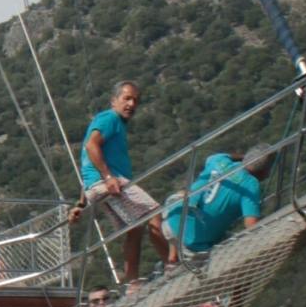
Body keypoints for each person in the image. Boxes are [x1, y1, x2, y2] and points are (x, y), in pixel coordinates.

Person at [75, 77, 173, 286]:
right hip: (108, 183)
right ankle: (172, 266)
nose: (132, 105)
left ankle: (132, 283)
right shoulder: (109, 118)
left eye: (136, 101)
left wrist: (80, 203)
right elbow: (92, 147)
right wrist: (109, 177)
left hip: (95, 187)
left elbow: (86, 162)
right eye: (127, 99)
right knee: (154, 214)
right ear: (114, 100)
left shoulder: (113, 123)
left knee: (134, 230)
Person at [163, 146, 275, 257]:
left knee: (183, 195)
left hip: (170, 218)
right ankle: (181, 256)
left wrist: (245, 158)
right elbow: (251, 225)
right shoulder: (251, 185)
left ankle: (171, 258)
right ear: (264, 171)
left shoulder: (219, 160)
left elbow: (222, 156)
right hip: (192, 243)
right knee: (229, 242)